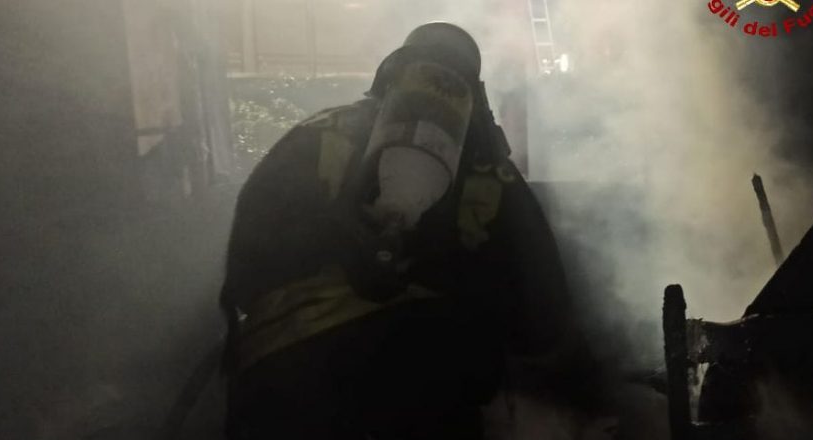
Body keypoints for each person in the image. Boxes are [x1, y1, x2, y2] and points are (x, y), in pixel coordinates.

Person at [220, 22, 571, 440]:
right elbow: (544, 323)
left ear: (387, 77)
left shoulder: (316, 135)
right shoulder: (494, 176)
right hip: (426, 393)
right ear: (476, 99)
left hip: (286, 388)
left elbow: (242, 279)